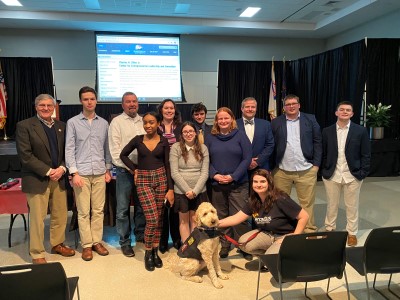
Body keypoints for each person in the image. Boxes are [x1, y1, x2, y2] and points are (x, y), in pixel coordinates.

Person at [16, 94, 75, 264]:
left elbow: (68, 152)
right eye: (42, 105)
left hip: (59, 177)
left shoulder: (62, 126)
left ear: (54, 107)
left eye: (50, 105)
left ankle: (57, 244)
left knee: (60, 215)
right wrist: (49, 171)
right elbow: (26, 156)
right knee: (38, 218)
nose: (46, 108)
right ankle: (37, 252)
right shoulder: (25, 126)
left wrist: (63, 168)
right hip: (37, 179)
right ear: (36, 107)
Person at [120, 111, 174, 272]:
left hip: (161, 178)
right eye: (145, 122)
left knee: (159, 218)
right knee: (151, 219)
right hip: (143, 180)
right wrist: (134, 169)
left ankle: (156, 251)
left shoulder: (164, 141)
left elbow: (168, 165)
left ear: (158, 124)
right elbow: (123, 155)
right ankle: (148, 252)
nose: (148, 125)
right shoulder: (137, 140)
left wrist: (170, 188)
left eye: (151, 122)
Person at [65, 86, 112, 261]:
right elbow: (69, 149)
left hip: (100, 172)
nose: (89, 102)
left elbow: (107, 147)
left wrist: (108, 169)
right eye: (86, 99)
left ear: (96, 100)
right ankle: (86, 245)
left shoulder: (103, 123)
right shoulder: (73, 122)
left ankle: (96, 242)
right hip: (81, 173)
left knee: (98, 210)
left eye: (92, 98)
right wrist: (74, 173)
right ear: (81, 101)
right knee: (84, 211)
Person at [218, 169, 308, 256]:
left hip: (285, 235)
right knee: (244, 244)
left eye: (262, 181)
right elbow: (236, 218)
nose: (259, 185)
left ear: (269, 183)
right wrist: (214, 224)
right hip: (267, 234)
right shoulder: (253, 201)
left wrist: (294, 236)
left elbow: (304, 216)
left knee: (271, 259)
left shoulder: (280, 198)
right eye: (255, 182)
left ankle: (281, 254)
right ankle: (271, 255)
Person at [321, 101, 371, 246]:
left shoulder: (360, 131)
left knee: (352, 206)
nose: (344, 112)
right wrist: (325, 170)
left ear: (352, 114)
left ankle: (352, 233)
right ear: (336, 113)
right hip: (332, 174)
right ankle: (330, 229)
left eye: (348, 110)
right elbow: (323, 152)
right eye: (341, 110)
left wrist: (362, 173)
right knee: (331, 204)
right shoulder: (327, 131)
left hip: (353, 175)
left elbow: (366, 154)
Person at [205, 107, 252, 258]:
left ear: (232, 119)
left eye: (226, 118)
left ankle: (243, 246)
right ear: (216, 121)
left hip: (238, 183)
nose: (223, 121)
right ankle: (225, 244)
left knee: (239, 216)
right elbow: (206, 159)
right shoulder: (210, 137)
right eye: (220, 118)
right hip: (217, 184)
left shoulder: (240, 135)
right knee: (220, 216)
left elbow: (247, 159)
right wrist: (215, 175)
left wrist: (234, 176)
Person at [271, 94, 322, 233]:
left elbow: (318, 142)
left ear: (299, 105)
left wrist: (316, 165)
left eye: (294, 103)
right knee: (280, 202)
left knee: (307, 203)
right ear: (284, 107)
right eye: (288, 104)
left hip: (306, 170)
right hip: (282, 171)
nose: (291, 106)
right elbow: (271, 144)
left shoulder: (310, 119)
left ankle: (309, 230)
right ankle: (284, 229)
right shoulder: (276, 122)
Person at [108, 92, 146, 257]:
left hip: (143, 170)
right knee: (123, 209)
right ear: (122, 105)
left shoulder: (144, 121)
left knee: (141, 206)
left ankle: (140, 236)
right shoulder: (116, 122)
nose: (132, 104)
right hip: (125, 171)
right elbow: (115, 152)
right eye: (128, 102)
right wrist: (132, 168)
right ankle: (124, 242)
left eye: (134, 101)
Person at [169, 121, 209, 242]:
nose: (188, 134)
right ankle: (186, 249)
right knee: (183, 221)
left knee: (195, 221)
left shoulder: (203, 148)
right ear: (181, 134)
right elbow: (174, 172)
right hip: (181, 191)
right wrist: (187, 190)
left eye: (191, 131)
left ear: (196, 133)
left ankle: (194, 248)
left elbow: (205, 172)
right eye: (185, 132)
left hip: (199, 191)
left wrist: (195, 191)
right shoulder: (175, 148)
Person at [157, 99, 182, 253]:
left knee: (175, 207)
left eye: (171, 108)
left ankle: (177, 239)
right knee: (162, 207)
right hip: (160, 169)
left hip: (178, 170)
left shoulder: (180, 127)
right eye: (166, 108)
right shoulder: (155, 126)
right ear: (161, 110)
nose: (169, 111)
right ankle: (163, 240)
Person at [237, 97, 275, 172]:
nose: (250, 109)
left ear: (256, 109)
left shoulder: (266, 124)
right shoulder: (233, 125)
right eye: (247, 107)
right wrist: (246, 162)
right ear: (242, 109)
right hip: (239, 167)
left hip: (261, 167)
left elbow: (270, 145)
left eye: (253, 107)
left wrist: (257, 161)